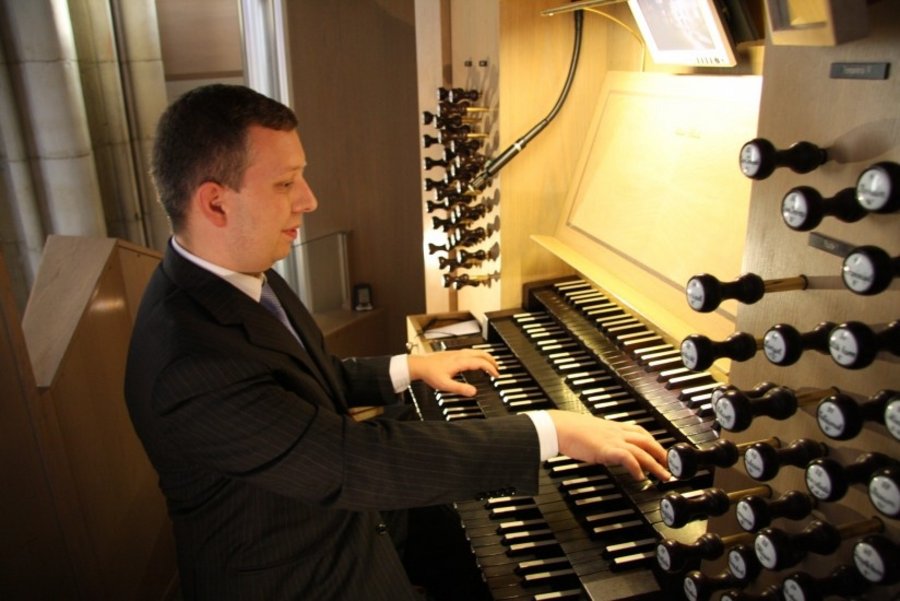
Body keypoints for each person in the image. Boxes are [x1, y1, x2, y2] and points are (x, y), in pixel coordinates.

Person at [124, 83, 671, 600]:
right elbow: (351, 464)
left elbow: (303, 381)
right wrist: (552, 430)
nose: (309, 201)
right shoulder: (189, 363)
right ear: (216, 204)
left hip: (333, 527)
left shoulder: (238, 273)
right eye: (286, 184)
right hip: (301, 577)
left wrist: (409, 368)